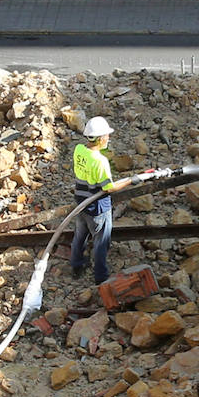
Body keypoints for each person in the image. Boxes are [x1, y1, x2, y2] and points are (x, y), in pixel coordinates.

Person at [71, 117, 133, 284]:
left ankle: (76, 265)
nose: (108, 138)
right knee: (101, 242)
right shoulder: (100, 161)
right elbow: (108, 188)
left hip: (81, 202)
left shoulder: (79, 149)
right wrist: (129, 181)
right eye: (106, 135)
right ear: (99, 138)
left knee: (79, 236)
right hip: (97, 208)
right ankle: (101, 277)